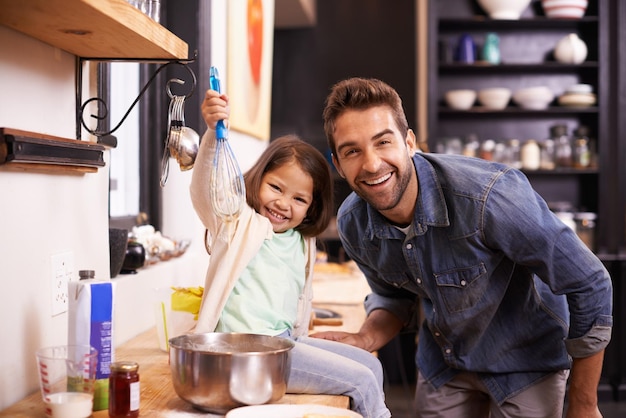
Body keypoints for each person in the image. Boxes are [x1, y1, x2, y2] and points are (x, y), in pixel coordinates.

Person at [312, 77, 613, 418]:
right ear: (338, 164)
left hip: (527, 361)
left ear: (410, 143)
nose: (371, 164)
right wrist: (365, 338)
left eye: (383, 142)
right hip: (445, 362)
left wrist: (584, 404)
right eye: (352, 151)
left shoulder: (488, 197)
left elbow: (589, 282)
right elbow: (395, 298)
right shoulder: (354, 223)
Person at [189, 88, 391, 418]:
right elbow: (206, 189)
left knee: (371, 366)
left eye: (299, 199)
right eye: (276, 188)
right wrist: (213, 132)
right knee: (363, 382)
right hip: (244, 352)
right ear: (258, 179)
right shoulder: (238, 223)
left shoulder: (301, 241)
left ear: (312, 207)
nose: (284, 203)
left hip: (282, 344)